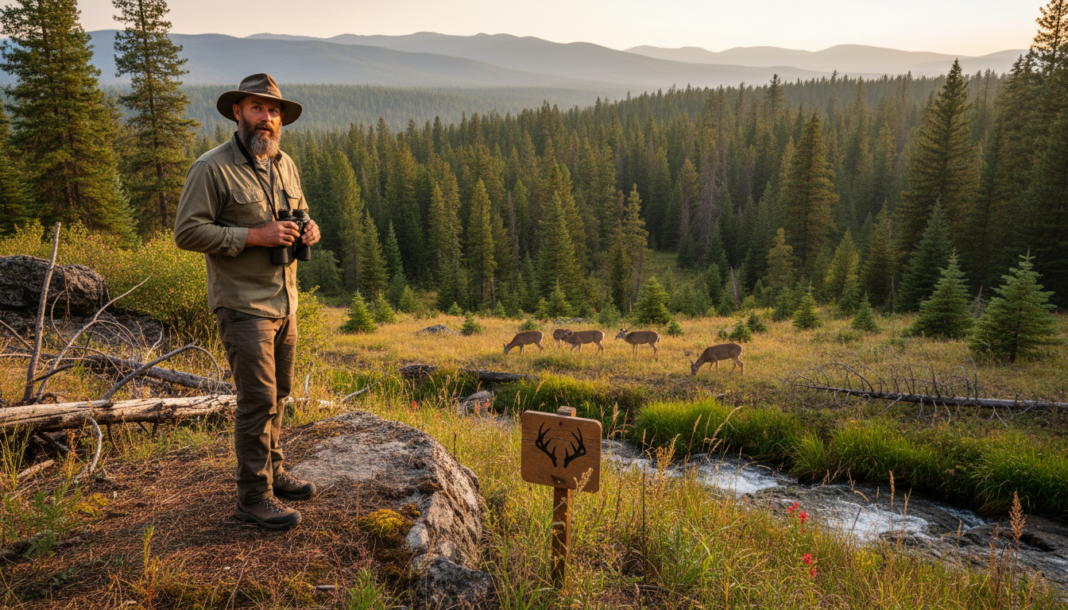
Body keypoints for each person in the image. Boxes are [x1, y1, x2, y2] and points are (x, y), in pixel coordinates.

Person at [175, 74, 320, 530]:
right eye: (258, 108)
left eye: (274, 111)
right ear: (238, 112)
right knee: (256, 400)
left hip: (284, 301)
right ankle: (252, 497)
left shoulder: (285, 164)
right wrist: (254, 236)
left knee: (279, 395)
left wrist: (310, 229)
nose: (267, 118)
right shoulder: (211, 168)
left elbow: (300, 214)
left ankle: (274, 474)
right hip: (242, 304)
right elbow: (187, 232)